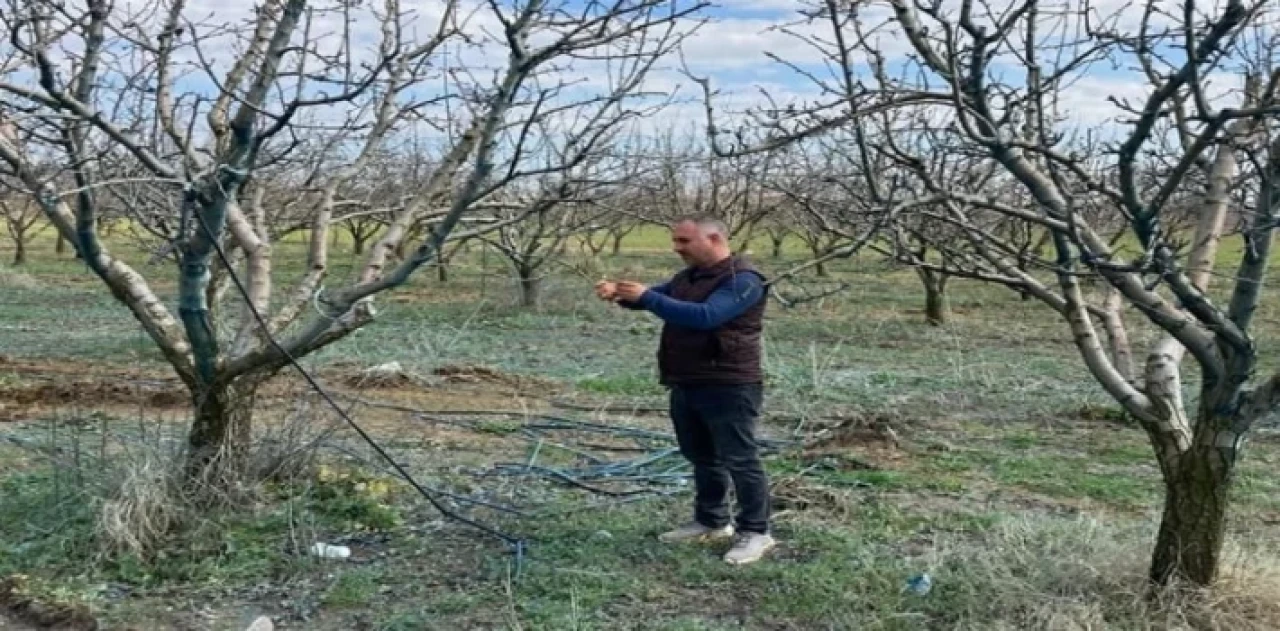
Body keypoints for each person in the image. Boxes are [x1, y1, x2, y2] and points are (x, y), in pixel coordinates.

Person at [595, 215, 775, 566]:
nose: (676, 248)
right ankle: (711, 521)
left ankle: (756, 532)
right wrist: (620, 293)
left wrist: (646, 296)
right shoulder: (688, 277)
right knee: (702, 456)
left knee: (741, 459)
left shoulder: (745, 280)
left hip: (730, 384)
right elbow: (658, 298)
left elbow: (706, 315)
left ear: (714, 240)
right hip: (688, 380)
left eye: (683, 242)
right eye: (675, 241)